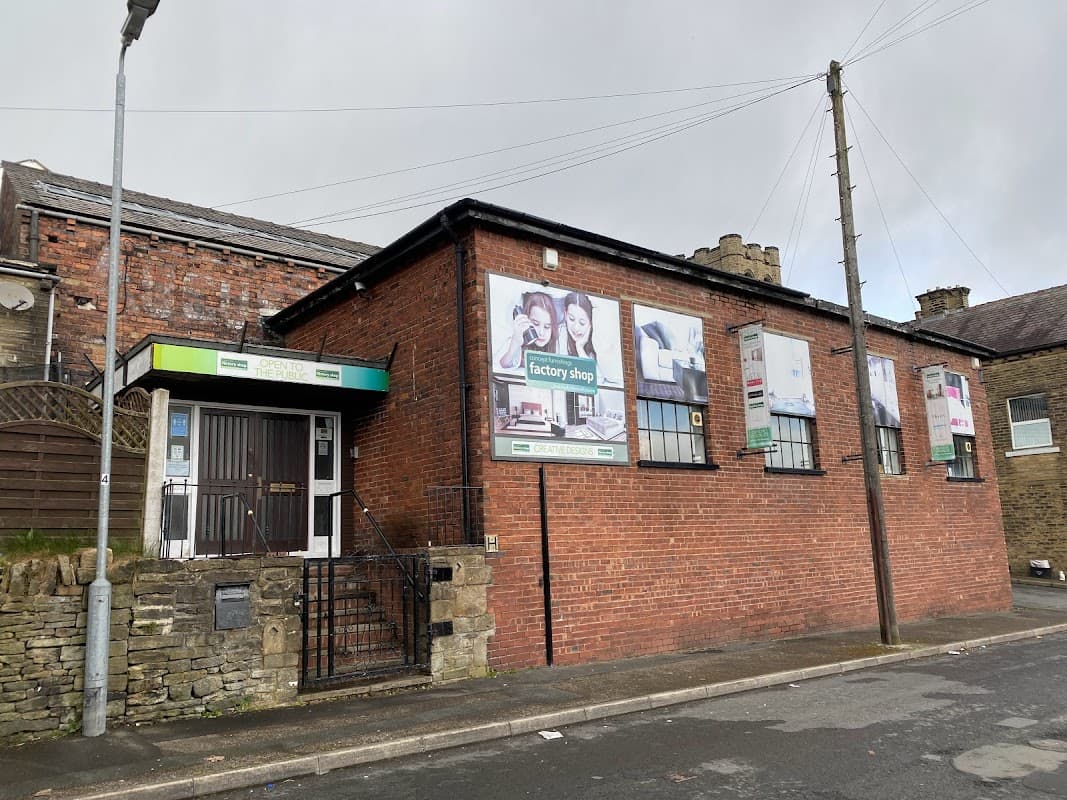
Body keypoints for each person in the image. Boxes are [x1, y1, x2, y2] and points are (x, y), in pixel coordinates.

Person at [497, 291, 558, 369]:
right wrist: (516, 342)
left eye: (547, 327)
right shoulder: (517, 340)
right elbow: (502, 365)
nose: (541, 333)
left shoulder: (557, 344)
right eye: (536, 324)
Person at [560, 292, 597, 361]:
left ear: (591, 323)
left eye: (582, 323)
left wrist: (580, 348)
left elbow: (593, 370)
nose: (576, 328)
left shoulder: (597, 342)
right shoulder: (559, 336)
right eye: (571, 319)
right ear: (565, 314)